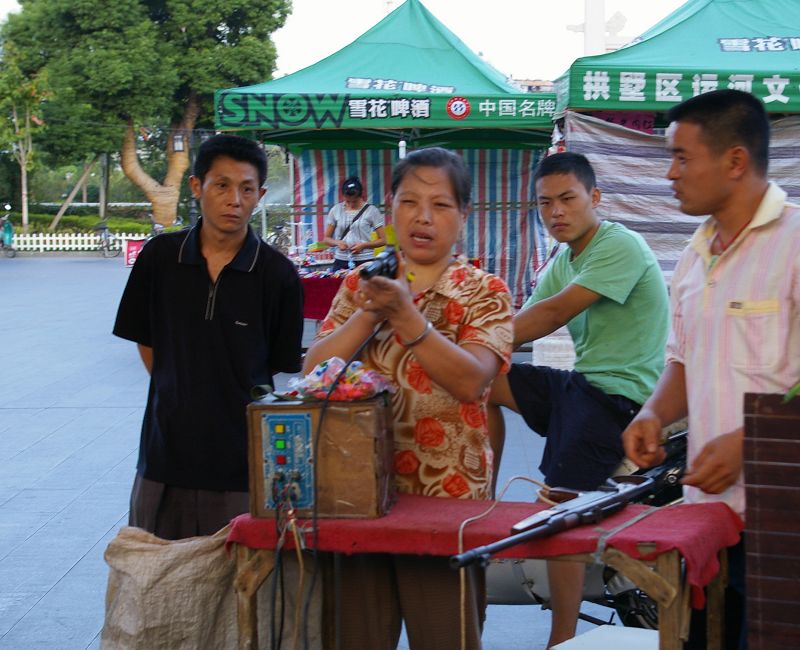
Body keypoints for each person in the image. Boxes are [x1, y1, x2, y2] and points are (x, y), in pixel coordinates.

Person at [304, 147, 513, 649]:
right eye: (409, 201)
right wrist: (371, 312)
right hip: (359, 501)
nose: (423, 217)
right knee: (357, 636)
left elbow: (473, 381)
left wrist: (408, 317)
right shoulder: (360, 284)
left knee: (446, 636)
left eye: (440, 205)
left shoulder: (485, 291)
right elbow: (313, 371)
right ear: (390, 208)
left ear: (464, 215)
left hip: (448, 506)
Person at [623, 89, 800, 650]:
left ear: (735, 161)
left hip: (785, 515)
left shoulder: (796, 243)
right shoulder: (695, 257)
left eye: (681, 157)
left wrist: (751, 443)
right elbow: (683, 359)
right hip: (707, 517)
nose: (670, 173)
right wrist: (653, 413)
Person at [487, 152, 669, 648]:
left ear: (596, 198)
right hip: (582, 385)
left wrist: (466, 340)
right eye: (545, 203)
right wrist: (465, 353)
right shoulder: (565, 259)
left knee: (558, 507)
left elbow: (550, 315)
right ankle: (482, 498)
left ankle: (561, 640)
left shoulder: (620, 245)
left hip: (621, 398)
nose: (556, 212)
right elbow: (518, 326)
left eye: (567, 199)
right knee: (478, 381)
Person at [113, 134, 304, 540]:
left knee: (238, 590)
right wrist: (177, 387)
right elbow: (146, 342)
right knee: (160, 584)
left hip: (243, 465)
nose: (234, 199)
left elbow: (275, 365)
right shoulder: (159, 260)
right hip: (165, 458)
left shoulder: (279, 276)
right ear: (197, 186)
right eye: (222, 185)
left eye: (247, 188)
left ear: (260, 195)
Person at [322, 175, 386, 271]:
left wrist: (364, 245)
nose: (351, 204)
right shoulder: (336, 210)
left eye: (355, 201)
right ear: (343, 196)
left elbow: (383, 240)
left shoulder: (372, 211)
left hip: (365, 261)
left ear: (361, 196)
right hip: (341, 260)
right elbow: (326, 239)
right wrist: (337, 243)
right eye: (348, 201)